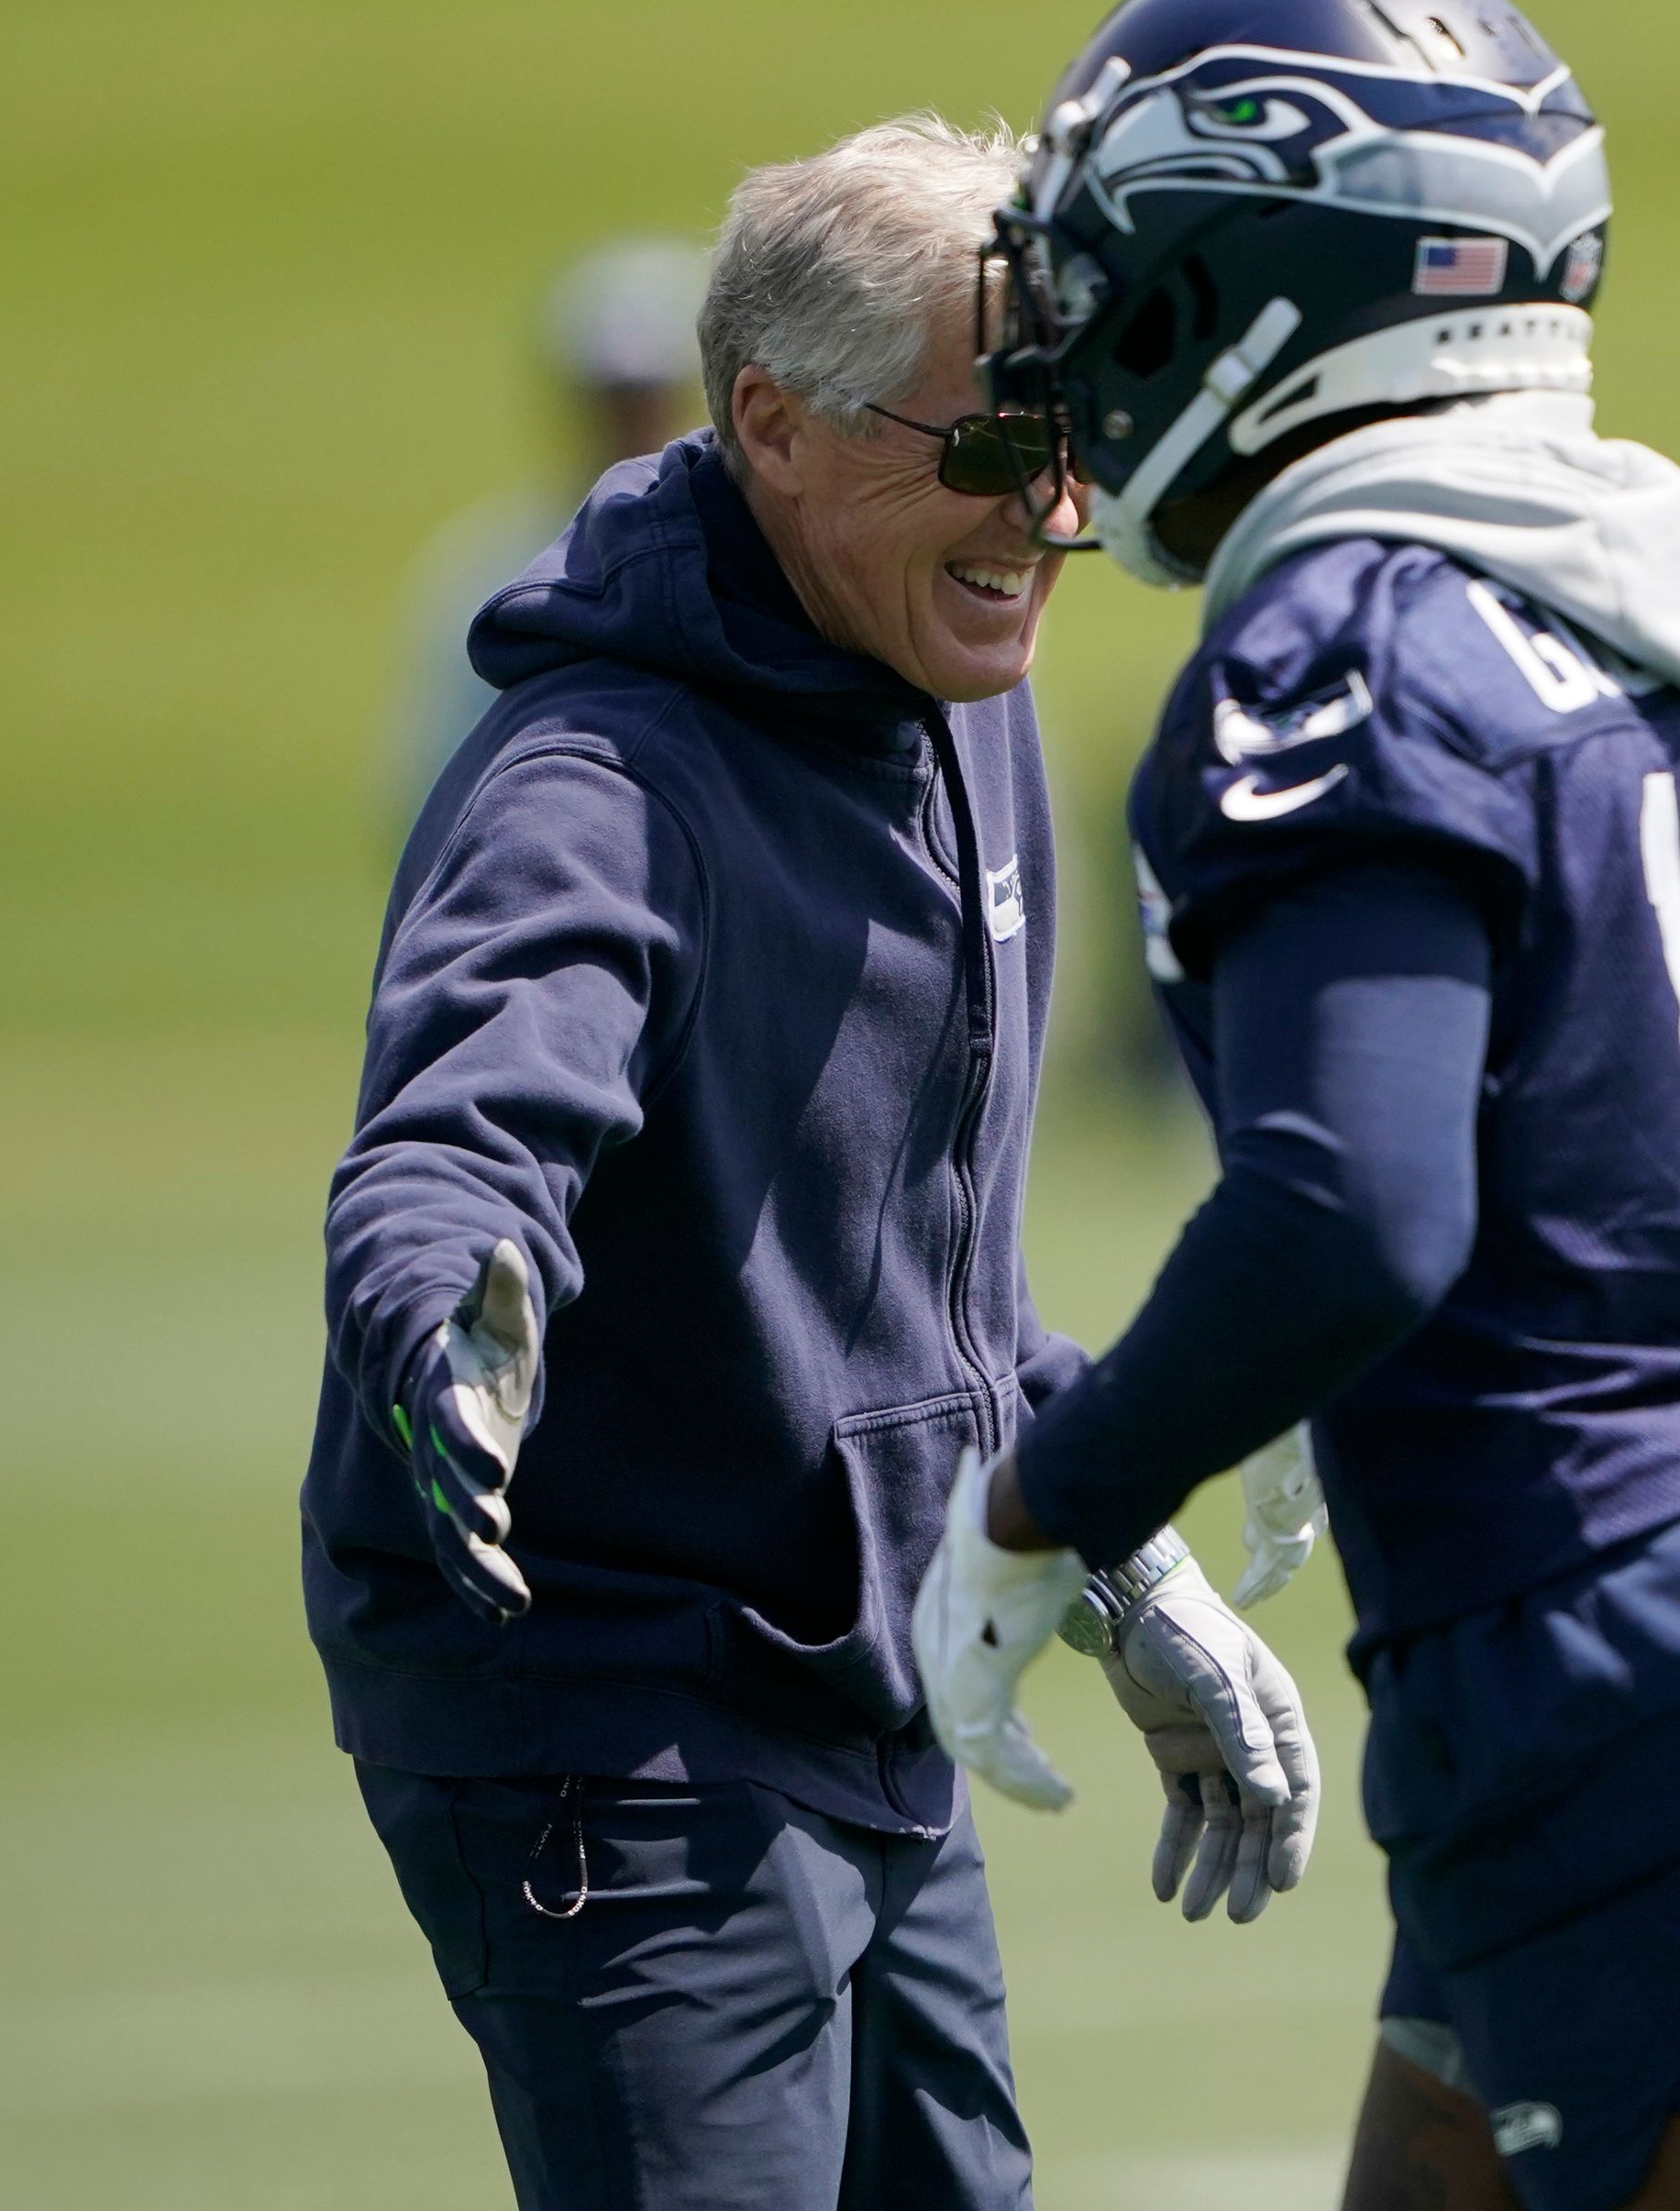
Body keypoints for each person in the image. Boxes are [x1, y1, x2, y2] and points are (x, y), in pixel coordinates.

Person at [911, 0, 1680, 2211]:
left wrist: (1046, 1501)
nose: (1071, 327)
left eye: (1111, 257)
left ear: (1262, 269)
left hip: (1614, 1655)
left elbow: (1352, 1210)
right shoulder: (1679, 610)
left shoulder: (1342, 623)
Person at [304, 115, 1320, 2211]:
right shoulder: (597, 780)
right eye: (987, 439)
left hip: (864, 1666)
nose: (1048, 505)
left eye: (1079, 425)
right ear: (768, 421)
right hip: (618, 1717)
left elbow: (927, 1292)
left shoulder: (956, 688)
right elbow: (462, 1124)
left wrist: (1114, 1554)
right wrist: (450, 1314)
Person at [390, 238, 710, 830]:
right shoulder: (491, 572)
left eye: (649, 399)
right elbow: (434, 794)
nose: (631, 425)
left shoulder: (745, 563)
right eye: (613, 402)